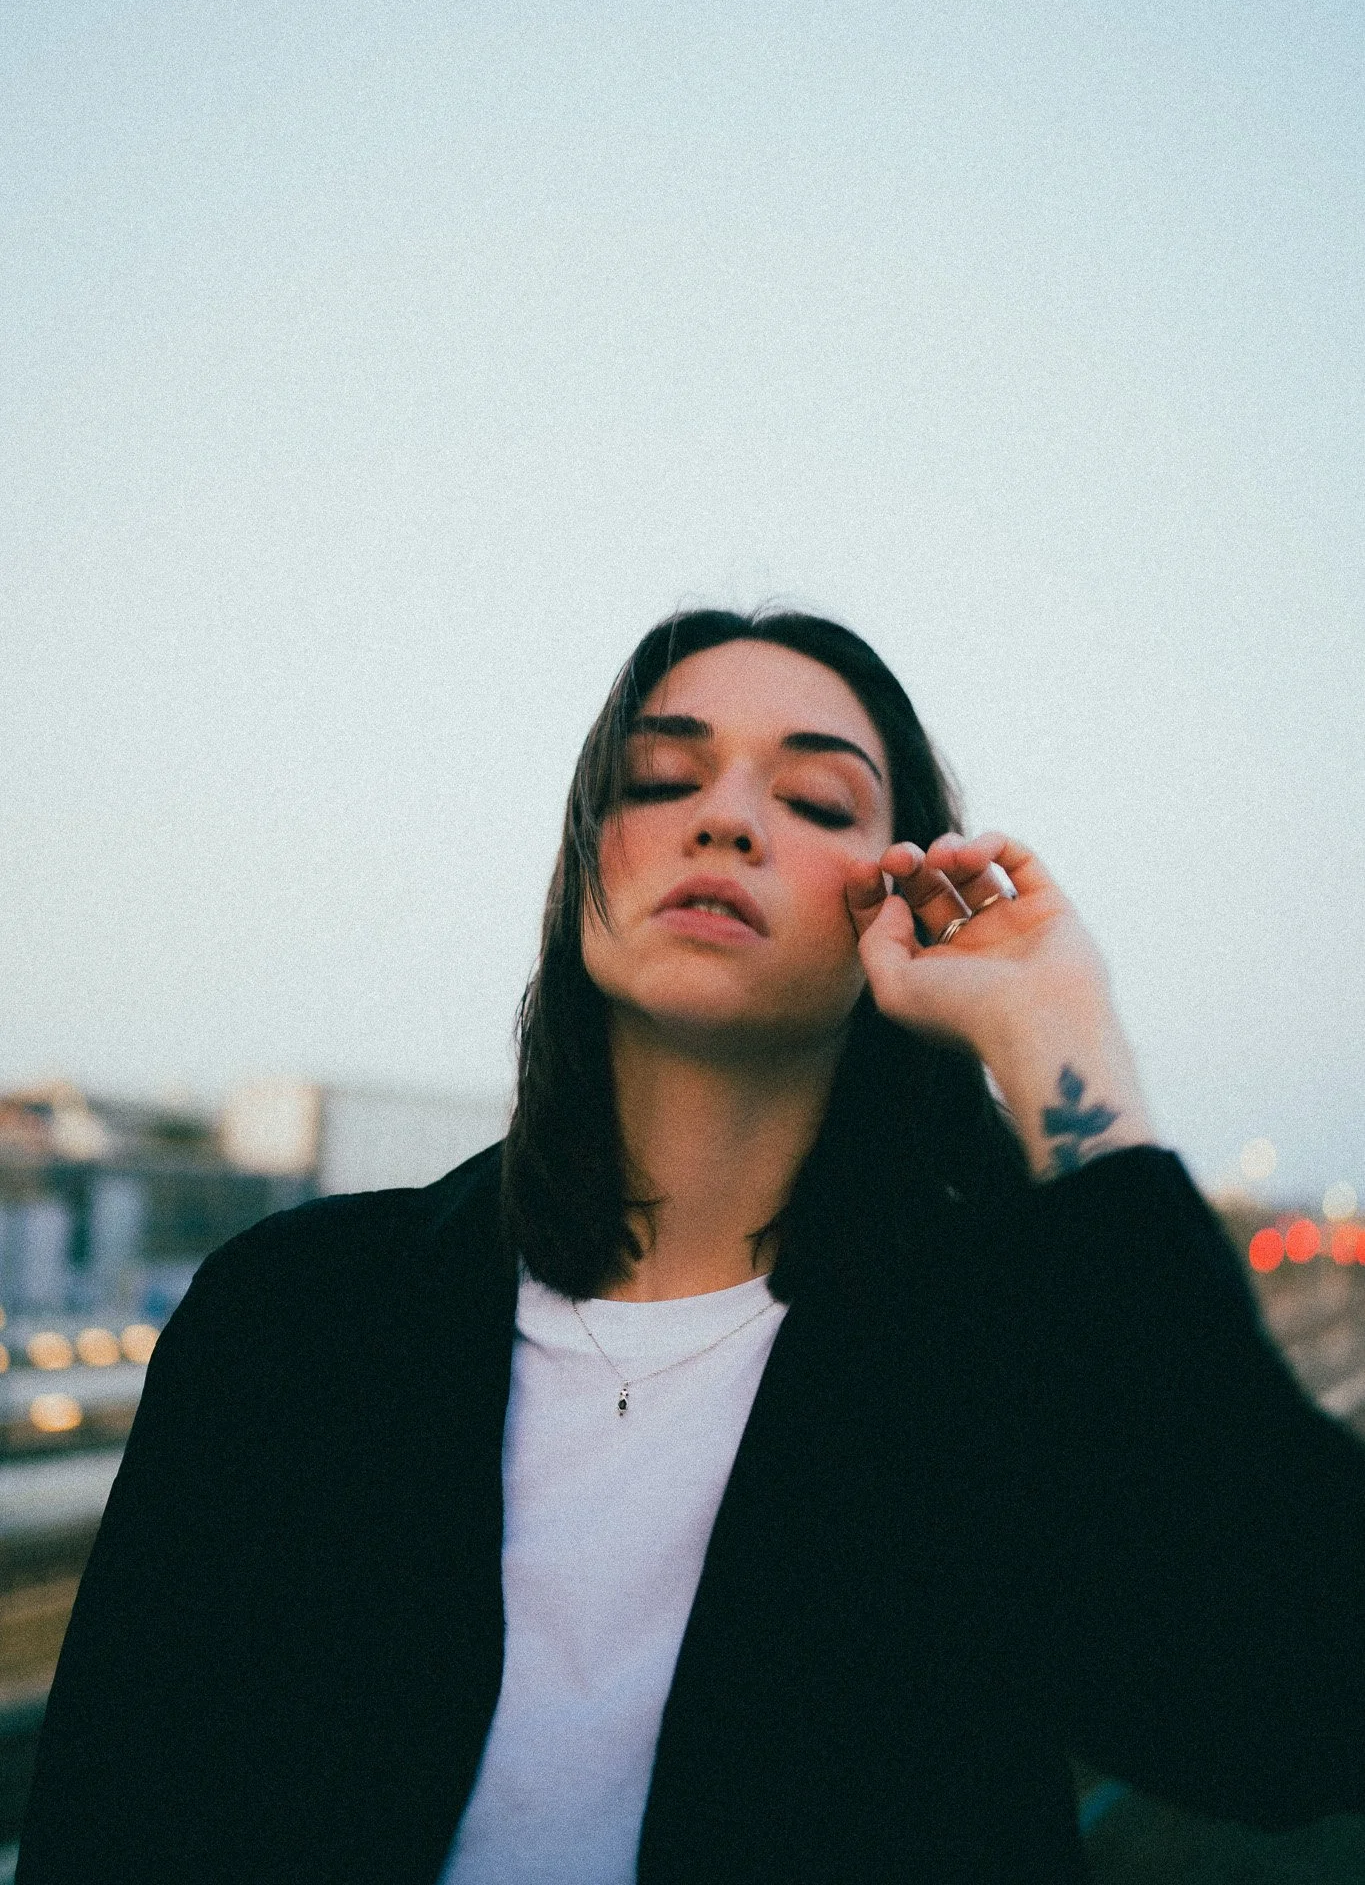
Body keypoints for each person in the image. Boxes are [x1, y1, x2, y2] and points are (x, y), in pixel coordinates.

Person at [17, 608, 1365, 1885]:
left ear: (902, 906)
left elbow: (1291, 1703)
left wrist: (1066, 1044)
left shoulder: (983, 1370)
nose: (724, 816)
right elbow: (107, 1821)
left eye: (821, 802)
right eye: (662, 778)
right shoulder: (300, 1319)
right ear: (579, 867)